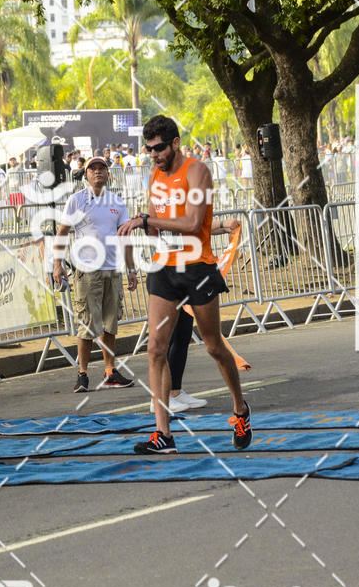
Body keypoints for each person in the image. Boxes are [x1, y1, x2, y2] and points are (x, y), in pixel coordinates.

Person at [118, 115, 252, 454]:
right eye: (149, 150)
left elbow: (193, 223)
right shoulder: (154, 175)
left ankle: (240, 409)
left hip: (197, 267)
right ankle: (163, 434)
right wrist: (139, 252)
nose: (154, 155)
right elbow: (153, 225)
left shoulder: (197, 172)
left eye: (159, 148)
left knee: (213, 346)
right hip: (164, 268)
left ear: (175, 143)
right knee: (155, 348)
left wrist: (146, 219)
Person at [53, 156, 138, 392]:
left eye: (102, 168)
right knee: (88, 326)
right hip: (87, 271)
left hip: (112, 270)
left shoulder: (117, 202)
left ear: (108, 174)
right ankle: (82, 373)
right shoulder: (77, 200)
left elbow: (125, 237)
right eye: (93, 169)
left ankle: (110, 371)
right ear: (86, 174)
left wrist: (131, 269)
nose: (98, 172)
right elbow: (62, 232)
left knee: (110, 324)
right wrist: (57, 264)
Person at [149, 217, 246, 413]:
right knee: (164, 342)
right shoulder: (168, 197)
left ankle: (175, 390)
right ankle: (160, 398)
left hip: (192, 270)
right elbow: (188, 226)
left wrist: (222, 226)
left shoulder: (193, 196)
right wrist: (218, 225)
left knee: (186, 335)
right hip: (170, 270)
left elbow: (196, 227)